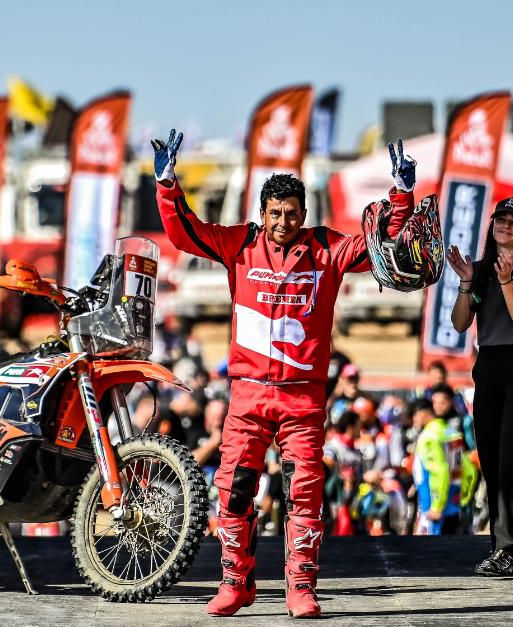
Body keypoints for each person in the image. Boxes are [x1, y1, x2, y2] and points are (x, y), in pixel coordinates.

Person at [152, 129, 434, 618]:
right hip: (247, 396)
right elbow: (185, 233)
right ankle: (236, 583)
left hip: (303, 399)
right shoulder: (238, 243)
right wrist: (166, 183)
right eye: (275, 214)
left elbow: (380, 243)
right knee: (234, 490)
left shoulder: (325, 249)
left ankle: (301, 587)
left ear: (304, 214)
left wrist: (402, 196)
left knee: (303, 490)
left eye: (292, 213)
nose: (283, 222)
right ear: (262, 214)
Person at [447, 196, 513, 575]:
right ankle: (505, 550)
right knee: (491, 461)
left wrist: (506, 280)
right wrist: (465, 281)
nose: (505, 226)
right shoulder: (480, 269)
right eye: (500, 219)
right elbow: (460, 323)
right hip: (488, 364)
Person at [410, 399, 471, 535]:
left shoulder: (429, 436)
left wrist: (437, 506)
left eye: (413, 415)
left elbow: (439, 470)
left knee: (431, 553)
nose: (413, 420)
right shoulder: (451, 432)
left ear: (421, 413)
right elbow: (469, 470)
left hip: (433, 509)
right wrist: (463, 498)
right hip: (453, 506)